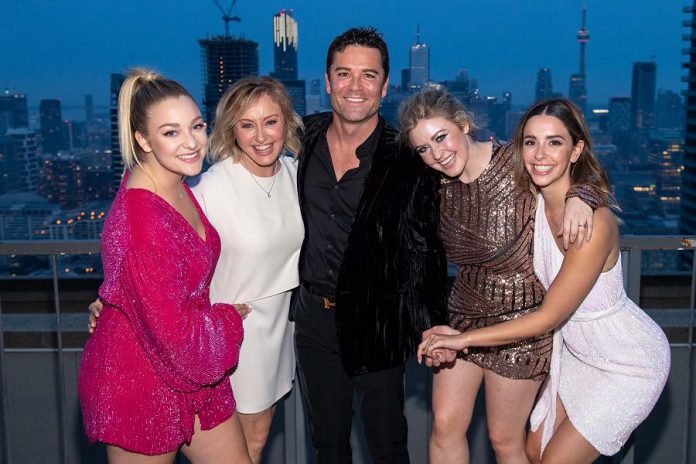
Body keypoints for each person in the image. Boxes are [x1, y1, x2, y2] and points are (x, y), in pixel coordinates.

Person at [418, 98, 670, 464]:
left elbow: (548, 316)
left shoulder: (592, 223)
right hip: (576, 354)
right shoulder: (534, 200)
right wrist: (582, 192)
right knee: (534, 452)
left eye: (554, 142)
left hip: (626, 359)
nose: (540, 153)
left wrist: (462, 340)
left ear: (577, 149)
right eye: (530, 142)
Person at [88, 76, 304, 464]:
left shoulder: (175, 184)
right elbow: (146, 271)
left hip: (195, 366)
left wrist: (117, 293)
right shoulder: (147, 219)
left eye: (196, 126)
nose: (190, 142)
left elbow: (154, 279)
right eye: (171, 132)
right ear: (142, 139)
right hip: (142, 377)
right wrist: (226, 319)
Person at [399, 89, 603, 464]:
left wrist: (583, 196)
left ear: (463, 125)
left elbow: (570, 170)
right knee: (444, 425)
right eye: (423, 149)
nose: (437, 153)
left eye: (441, 137)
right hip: (463, 315)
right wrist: (434, 324)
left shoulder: (515, 162)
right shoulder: (434, 187)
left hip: (522, 322)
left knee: (504, 439)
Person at [292, 27, 448, 463]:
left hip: (377, 320)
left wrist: (579, 195)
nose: (355, 87)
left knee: (387, 446)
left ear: (384, 84)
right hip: (314, 321)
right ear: (327, 81)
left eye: (368, 75)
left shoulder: (406, 157)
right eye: (344, 74)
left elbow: (427, 249)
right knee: (328, 445)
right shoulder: (302, 138)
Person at [192, 76, 304, 463]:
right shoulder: (212, 187)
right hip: (237, 330)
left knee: (256, 440)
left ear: (286, 123)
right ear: (231, 130)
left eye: (270, 122)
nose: (261, 136)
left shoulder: (295, 175)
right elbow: (167, 253)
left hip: (279, 325)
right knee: (243, 447)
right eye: (247, 124)